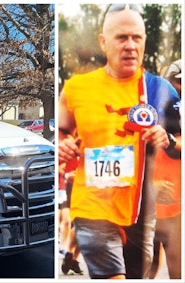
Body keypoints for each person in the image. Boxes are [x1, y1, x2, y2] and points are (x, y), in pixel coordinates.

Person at [58, 4, 181, 279]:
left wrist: (168, 138)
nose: (130, 46)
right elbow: (60, 132)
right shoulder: (77, 88)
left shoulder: (159, 89)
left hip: (140, 210)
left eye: (136, 38)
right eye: (121, 37)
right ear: (103, 42)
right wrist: (62, 144)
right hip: (93, 205)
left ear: (145, 41)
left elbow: (181, 140)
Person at [149, 59, 182, 279]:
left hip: (175, 204)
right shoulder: (153, 105)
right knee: (148, 267)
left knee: (176, 269)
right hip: (150, 201)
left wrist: (170, 140)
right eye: (177, 81)